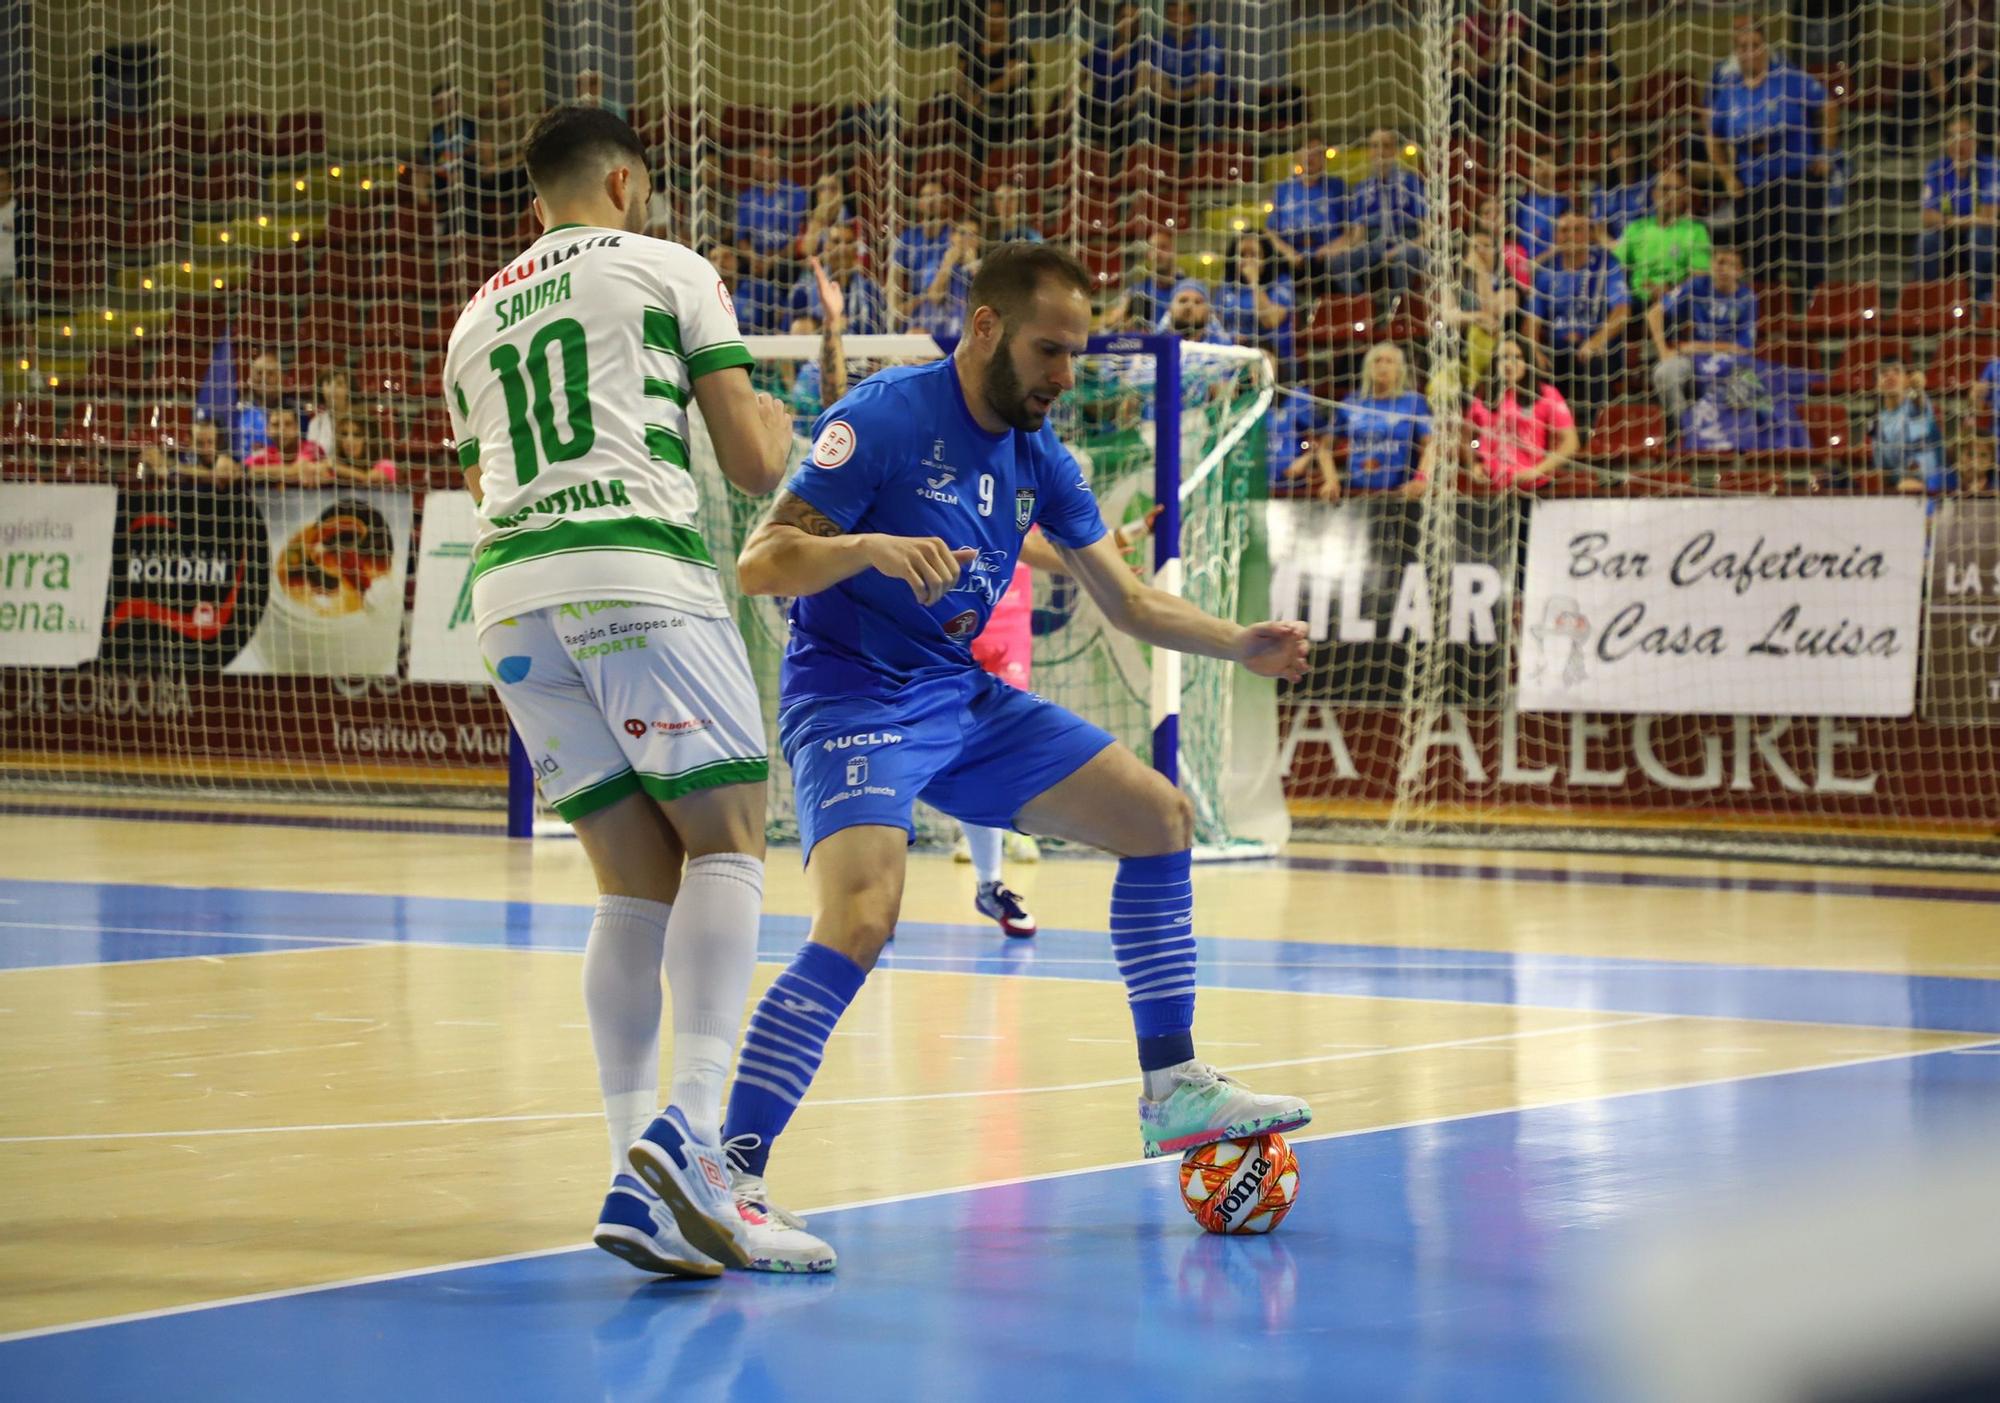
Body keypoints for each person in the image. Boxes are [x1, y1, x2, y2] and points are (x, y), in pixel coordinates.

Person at [715, 243, 1315, 1270]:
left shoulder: (1040, 456)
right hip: (854, 694)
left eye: (1074, 354)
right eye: (1049, 349)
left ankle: (1171, 1087)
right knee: (862, 915)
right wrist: (862, 547)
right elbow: (761, 562)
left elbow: (1127, 600)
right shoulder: (887, 418)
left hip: (962, 694)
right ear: (984, 327)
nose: (1063, 375)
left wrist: (1236, 642)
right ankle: (728, 1172)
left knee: (1158, 817)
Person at [440, 105, 832, 1277]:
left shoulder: (469, 321)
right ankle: (697, 1135)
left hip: (510, 599)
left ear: (536, 197)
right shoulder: (670, 268)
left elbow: (484, 478)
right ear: (622, 182)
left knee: (630, 880)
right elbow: (756, 466)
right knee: (728, 840)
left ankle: (633, 1172)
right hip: (638, 573)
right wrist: (782, 423)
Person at [1704, 21, 1836, 288]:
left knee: (1805, 247)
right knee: (1761, 256)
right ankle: (1767, 313)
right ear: (1735, 52)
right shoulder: (1729, 92)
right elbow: (1712, 136)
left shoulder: (1789, 79)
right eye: (1742, 46)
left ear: (1764, 48)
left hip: (1796, 179)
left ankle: (1814, 307)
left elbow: (1828, 107)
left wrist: (1825, 154)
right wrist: (1728, 176)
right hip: (1754, 186)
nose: (1748, 51)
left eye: (1754, 45)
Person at [1528, 209, 1632, 430]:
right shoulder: (1547, 273)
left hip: (1597, 346)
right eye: (1564, 230)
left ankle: (1592, 430)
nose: (1570, 235)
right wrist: (1535, 351)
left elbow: (1622, 311)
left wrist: (1594, 342)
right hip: (1558, 349)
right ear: (1556, 237)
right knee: (1541, 361)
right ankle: (1548, 430)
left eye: (1577, 230)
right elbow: (1531, 319)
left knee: (1594, 359)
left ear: (1589, 235)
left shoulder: (1607, 265)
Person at [1647, 247, 1756, 422]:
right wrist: (1663, 352)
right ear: (1711, 265)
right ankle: (1684, 427)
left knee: (1743, 386)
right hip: (1694, 360)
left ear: (1739, 271)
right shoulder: (1696, 285)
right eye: (1720, 262)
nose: (1723, 268)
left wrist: (1696, 347)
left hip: (1729, 361)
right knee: (1664, 373)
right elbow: (1654, 313)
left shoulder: (1746, 298)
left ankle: (1730, 440)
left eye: (1731, 264)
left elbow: (1743, 349)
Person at [1465, 336, 1579, 490]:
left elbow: (1571, 443)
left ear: (1528, 362)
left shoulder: (1547, 395)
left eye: (1517, 358)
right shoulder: (1483, 397)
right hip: (1491, 489)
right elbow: (1470, 439)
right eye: (1503, 358)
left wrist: (1537, 471)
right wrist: (1475, 464)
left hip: (1535, 488)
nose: (1509, 364)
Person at [1911, 117, 1998, 303]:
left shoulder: (1990, 166)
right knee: (1926, 240)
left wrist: (1949, 221)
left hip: (1983, 233)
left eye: (1965, 137)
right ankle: (1927, 300)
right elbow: (1927, 217)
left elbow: (1989, 217)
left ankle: (1983, 302)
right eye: (1952, 137)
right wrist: (1956, 222)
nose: (1959, 143)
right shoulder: (1937, 168)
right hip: (1949, 232)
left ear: (1975, 141)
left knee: (1979, 237)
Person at [1333, 129, 1429, 297]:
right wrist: (1341, 249)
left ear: (1394, 150)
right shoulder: (1362, 188)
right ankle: (1364, 307)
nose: (1380, 151)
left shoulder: (1412, 182)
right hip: (1375, 245)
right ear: (1369, 151)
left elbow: (1428, 231)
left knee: (1404, 257)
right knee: (1338, 262)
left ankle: (1398, 308)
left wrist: (1400, 249)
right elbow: (1358, 236)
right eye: (1375, 146)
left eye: (1386, 146)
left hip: (1407, 241)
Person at [1335, 342, 1435, 497]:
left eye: (1389, 361)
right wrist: (1331, 479)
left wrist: (1421, 479)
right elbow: (1324, 447)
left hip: (1400, 493)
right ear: (1367, 367)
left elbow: (1431, 445)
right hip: (1355, 492)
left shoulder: (1413, 401)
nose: (1382, 366)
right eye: (1377, 360)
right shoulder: (1351, 402)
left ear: (1400, 370)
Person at [1613, 165, 1711, 307]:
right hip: (1636, 301)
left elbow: (1700, 274)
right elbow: (1616, 266)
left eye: (1676, 190)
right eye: (1664, 189)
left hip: (1678, 302)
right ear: (1654, 194)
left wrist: (1672, 288)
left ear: (1685, 197)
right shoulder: (1636, 227)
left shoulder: (1696, 230)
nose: (1669, 195)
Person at [1264, 142, 1349, 298]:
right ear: (1297, 156)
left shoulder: (1338, 187)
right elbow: (1270, 232)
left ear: (1325, 158)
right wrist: (1288, 252)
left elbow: (1351, 230)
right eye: (1306, 151)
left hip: (1326, 256)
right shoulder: (1283, 189)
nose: (1310, 156)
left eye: (1316, 152)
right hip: (1291, 257)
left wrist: (1331, 248)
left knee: (1340, 264)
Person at [1210, 230, 1296, 373]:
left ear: (1267, 258)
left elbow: (1270, 320)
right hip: (1232, 355)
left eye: (1254, 255)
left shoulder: (1281, 283)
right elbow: (1215, 324)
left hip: (1273, 358)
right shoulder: (1226, 287)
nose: (1247, 260)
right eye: (1242, 254)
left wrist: (1254, 282)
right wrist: (1230, 337)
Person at [1870, 360, 1954, 497]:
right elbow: (1883, 470)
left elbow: (1918, 399)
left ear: (1908, 380)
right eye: (1884, 373)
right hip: (1902, 488)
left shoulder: (1916, 405)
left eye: (1897, 371)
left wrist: (1917, 388)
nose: (1890, 376)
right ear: (1876, 385)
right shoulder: (1877, 422)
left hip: (1939, 484)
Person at [790, 222, 886, 334]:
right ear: (826, 248)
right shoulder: (803, 291)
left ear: (855, 251)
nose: (842, 248)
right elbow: (787, 335)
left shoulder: (871, 292)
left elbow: (881, 336)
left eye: (849, 242)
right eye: (836, 241)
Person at [734, 146, 808, 280]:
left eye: (769, 159)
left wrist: (773, 260)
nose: (765, 165)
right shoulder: (746, 198)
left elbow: (800, 237)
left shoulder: (796, 194)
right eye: (759, 162)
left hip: (787, 262)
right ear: (753, 167)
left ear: (779, 163)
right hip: (754, 264)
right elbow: (741, 239)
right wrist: (754, 259)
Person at [892, 179, 955, 327]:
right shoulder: (908, 238)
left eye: (935, 195)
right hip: (915, 316)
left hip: (948, 313)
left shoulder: (954, 237)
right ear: (919, 202)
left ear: (946, 202)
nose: (930, 200)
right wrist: (896, 311)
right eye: (925, 195)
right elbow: (895, 278)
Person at [138, 413, 239, 484]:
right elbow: (152, 458)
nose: (205, 448)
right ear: (190, 441)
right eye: (200, 443)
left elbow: (214, 476)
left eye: (210, 442)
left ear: (217, 442)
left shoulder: (223, 461)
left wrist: (171, 466)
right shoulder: (183, 456)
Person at [242, 406, 329, 483]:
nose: (281, 430)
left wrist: (255, 470)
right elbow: (242, 470)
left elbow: (297, 471)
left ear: (297, 429)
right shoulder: (265, 453)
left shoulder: (312, 447)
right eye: (276, 425)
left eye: (288, 424)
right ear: (267, 430)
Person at [329, 414, 398, 484]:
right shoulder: (339, 463)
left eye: (357, 435)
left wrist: (333, 467)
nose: (348, 440)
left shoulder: (386, 465)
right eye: (344, 434)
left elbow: (366, 478)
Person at [305, 369, 355, 459]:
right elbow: (310, 457)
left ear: (348, 388)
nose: (333, 389)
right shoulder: (315, 423)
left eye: (339, 384)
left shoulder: (361, 417)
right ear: (321, 389)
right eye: (328, 383)